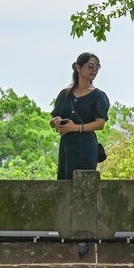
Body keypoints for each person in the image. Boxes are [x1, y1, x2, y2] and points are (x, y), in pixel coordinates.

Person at [50, 52, 109, 180]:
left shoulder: (98, 96)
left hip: (86, 146)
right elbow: (53, 117)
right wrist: (57, 120)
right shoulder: (64, 94)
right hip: (67, 145)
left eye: (97, 67)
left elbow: (100, 123)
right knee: (64, 182)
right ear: (78, 67)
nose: (94, 69)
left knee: (84, 183)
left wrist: (75, 128)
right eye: (90, 65)